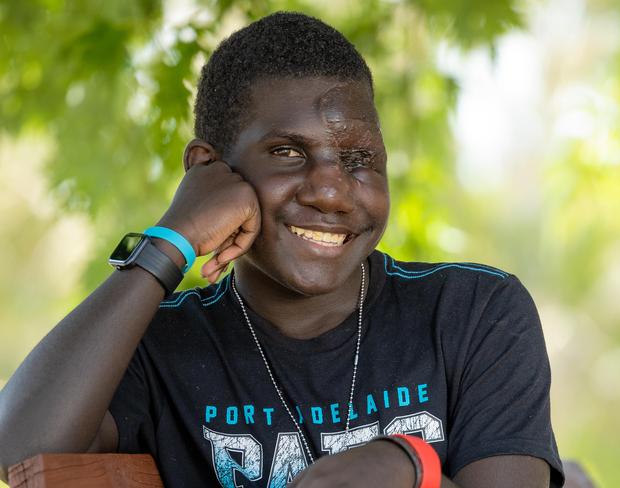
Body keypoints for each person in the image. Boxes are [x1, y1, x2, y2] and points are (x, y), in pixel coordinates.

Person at [0, 12, 564, 488]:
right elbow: (20, 450)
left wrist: (411, 468)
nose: (331, 190)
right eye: (290, 152)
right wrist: (172, 238)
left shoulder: (472, 312)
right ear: (209, 171)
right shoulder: (156, 344)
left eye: (359, 158)